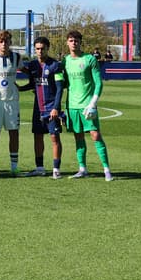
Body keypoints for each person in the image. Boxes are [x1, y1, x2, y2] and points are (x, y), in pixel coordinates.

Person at [62, 30, 113, 181]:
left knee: (95, 135)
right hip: (72, 106)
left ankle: (106, 169)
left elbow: (98, 83)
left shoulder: (90, 59)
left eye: (76, 40)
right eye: (71, 40)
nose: (74, 43)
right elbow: (63, 83)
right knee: (78, 137)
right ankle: (82, 169)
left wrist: (93, 103)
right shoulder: (65, 61)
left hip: (87, 105)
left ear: (80, 42)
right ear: (67, 42)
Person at [18, 37, 64, 179]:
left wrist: (56, 108)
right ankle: (40, 168)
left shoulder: (55, 65)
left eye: (42, 48)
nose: (40, 51)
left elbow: (60, 88)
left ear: (47, 48)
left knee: (54, 137)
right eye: (37, 49)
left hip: (51, 108)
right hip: (38, 108)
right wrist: (19, 88)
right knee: (37, 137)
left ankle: (56, 169)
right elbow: (33, 84)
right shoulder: (33, 65)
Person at [0, 30, 22, 176]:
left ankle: (14, 167)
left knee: (14, 134)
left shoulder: (16, 57)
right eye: (1, 41)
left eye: (6, 41)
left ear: (10, 43)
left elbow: (25, 69)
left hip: (12, 102)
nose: (4, 44)